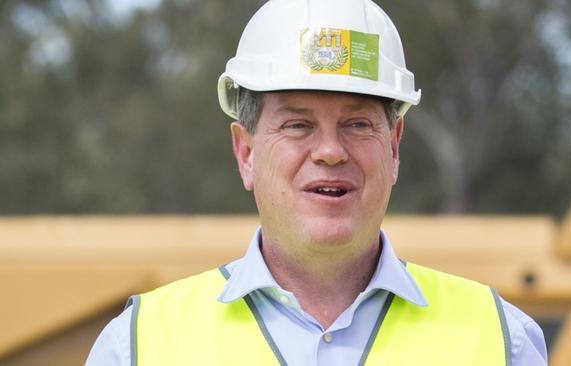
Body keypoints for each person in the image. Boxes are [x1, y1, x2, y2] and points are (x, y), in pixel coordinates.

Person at [87, 0, 547, 364]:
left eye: (358, 124)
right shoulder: (137, 348)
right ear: (245, 153)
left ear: (393, 148)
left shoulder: (504, 342)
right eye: (297, 125)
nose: (330, 151)